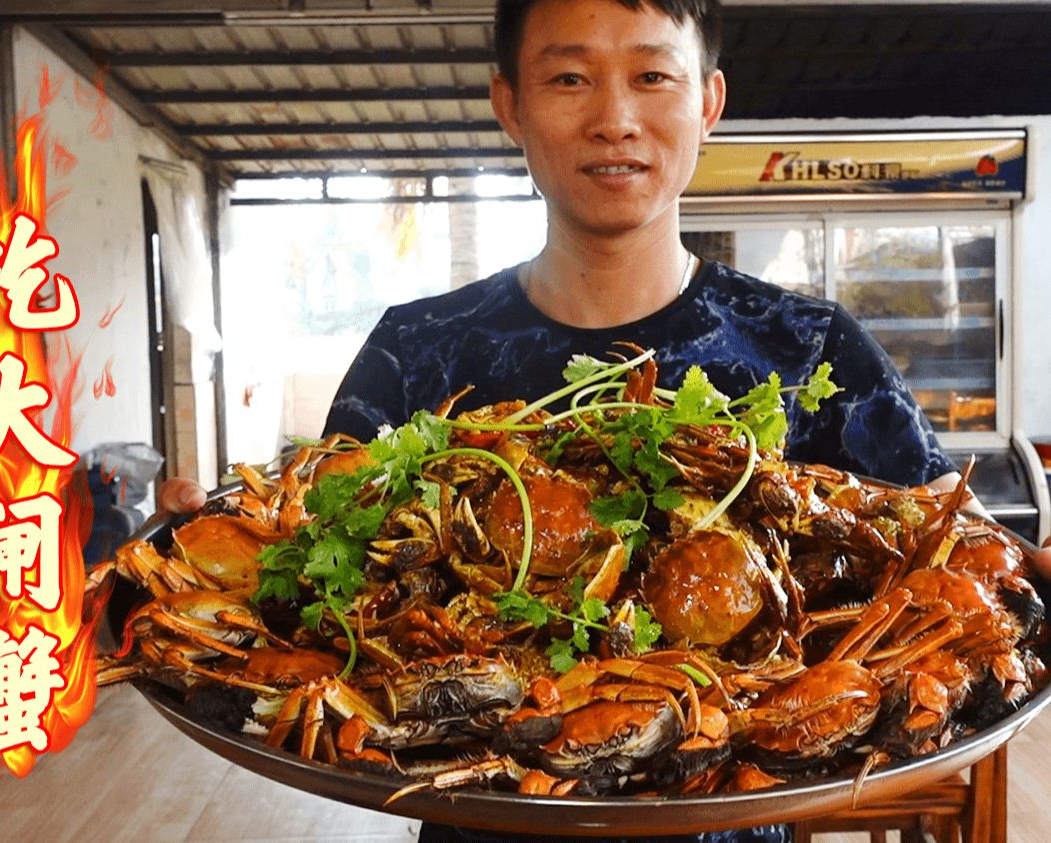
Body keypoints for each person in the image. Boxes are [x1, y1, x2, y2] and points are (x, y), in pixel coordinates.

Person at [158, 0, 1051, 839]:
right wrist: (221, 550)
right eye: (570, 78)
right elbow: (312, 560)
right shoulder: (419, 349)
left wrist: (1001, 556)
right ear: (508, 103)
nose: (614, 118)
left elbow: (949, 555)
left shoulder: (813, 349)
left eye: (653, 77)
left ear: (709, 101)